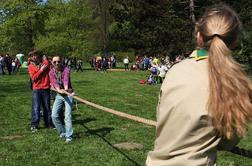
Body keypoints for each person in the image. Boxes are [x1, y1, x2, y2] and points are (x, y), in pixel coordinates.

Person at [146, 4, 252, 166]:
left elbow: (162, 119)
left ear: (198, 36)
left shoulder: (175, 71)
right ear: (236, 40)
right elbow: (227, 142)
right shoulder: (236, 83)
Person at [49, 56, 74, 143]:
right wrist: (59, 90)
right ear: (52, 62)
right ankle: (63, 132)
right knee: (54, 115)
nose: (57, 63)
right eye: (55, 62)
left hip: (68, 94)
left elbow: (66, 80)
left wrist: (66, 89)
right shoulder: (51, 72)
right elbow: (54, 83)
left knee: (67, 117)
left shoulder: (66, 69)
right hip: (59, 95)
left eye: (58, 61)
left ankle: (69, 136)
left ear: (61, 62)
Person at [28, 49, 52, 132]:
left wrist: (45, 59)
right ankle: (34, 124)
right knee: (36, 107)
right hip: (37, 89)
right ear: (31, 57)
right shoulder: (31, 66)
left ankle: (48, 123)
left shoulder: (44, 63)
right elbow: (34, 78)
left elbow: (48, 64)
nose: (34, 57)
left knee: (47, 107)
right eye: (32, 56)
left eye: (35, 55)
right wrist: (41, 70)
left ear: (38, 56)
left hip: (46, 88)